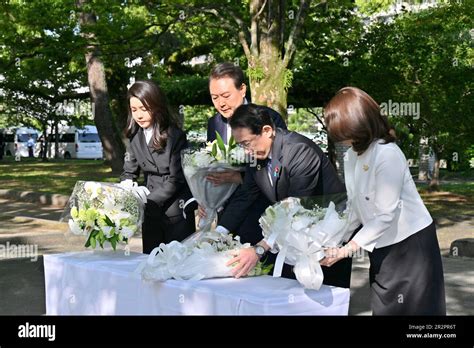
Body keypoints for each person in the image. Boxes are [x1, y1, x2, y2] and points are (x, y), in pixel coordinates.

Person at [322, 87, 446, 315]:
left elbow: (385, 214)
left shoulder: (387, 153)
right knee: (385, 307)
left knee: (418, 310)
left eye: (345, 133)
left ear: (361, 125)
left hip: (411, 245)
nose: (343, 141)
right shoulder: (351, 156)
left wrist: (346, 249)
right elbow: (355, 207)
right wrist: (333, 239)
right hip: (379, 244)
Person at [214, 103, 353, 288]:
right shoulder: (256, 155)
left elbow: (296, 208)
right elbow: (245, 196)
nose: (246, 151)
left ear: (267, 130)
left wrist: (259, 249)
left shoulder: (299, 151)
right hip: (290, 237)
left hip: (326, 238)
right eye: (241, 145)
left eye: (247, 143)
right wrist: (217, 233)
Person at [204, 62, 287, 245]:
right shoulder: (214, 124)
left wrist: (240, 176)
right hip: (227, 214)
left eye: (226, 95)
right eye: (215, 97)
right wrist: (206, 199)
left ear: (242, 89)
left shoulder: (269, 118)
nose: (221, 103)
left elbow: (277, 173)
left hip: (261, 214)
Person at [121, 80, 196, 254]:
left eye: (144, 109)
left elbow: (176, 179)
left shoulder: (174, 136)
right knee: (151, 260)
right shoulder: (134, 136)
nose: (139, 115)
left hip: (176, 210)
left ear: (156, 106)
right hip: (150, 211)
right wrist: (123, 192)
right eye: (134, 110)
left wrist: (148, 201)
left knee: (178, 265)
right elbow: (128, 171)